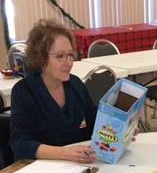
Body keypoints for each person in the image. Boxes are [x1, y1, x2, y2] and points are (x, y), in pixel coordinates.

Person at [10, 19, 97, 164]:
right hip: (43, 170)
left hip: (79, 165)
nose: (69, 62)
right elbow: (21, 144)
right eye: (60, 56)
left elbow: (95, 123)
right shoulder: (24, 91)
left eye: (70, 55)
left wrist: (118, 132)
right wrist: (65, 153)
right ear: (41, 58)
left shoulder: (75, 84)